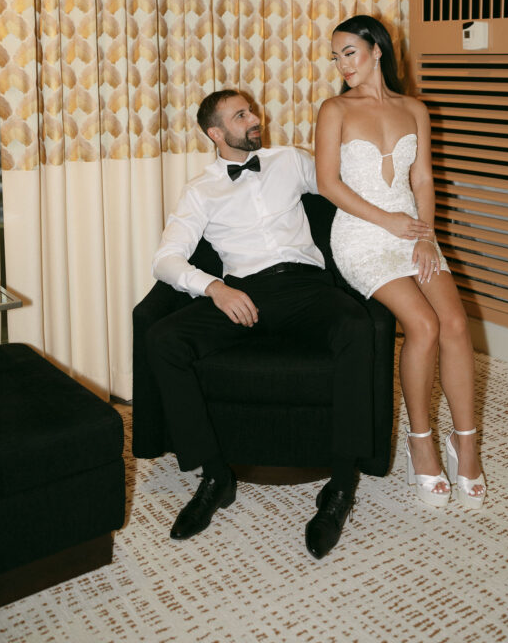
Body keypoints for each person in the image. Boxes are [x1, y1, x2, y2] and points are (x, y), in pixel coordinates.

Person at [147, 89, 374, 559]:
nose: (255, 119)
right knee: (164, 338)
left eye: (251, 110)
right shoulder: (200, 189)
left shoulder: (290, 160)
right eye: (241, 115)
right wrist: (214, 288)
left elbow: (344, 184)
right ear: (215, 133)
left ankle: (340, 483)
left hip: (306, 288)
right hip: (242, 294)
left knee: (357, 327)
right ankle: (215, 476)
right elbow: (165, 260)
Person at [315, 16, 486, 510]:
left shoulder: (415, 108)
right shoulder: (334, 109)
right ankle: (421, 441)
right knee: (424, 326)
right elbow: (329, 184)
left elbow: (425, 180)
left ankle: (466, 442)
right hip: (361, 235)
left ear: (377, 51)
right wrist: (388, 223)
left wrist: (427, 237)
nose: (342, 64)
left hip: (414, 232)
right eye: (336, 56)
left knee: (455, 323)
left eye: (349, 52)